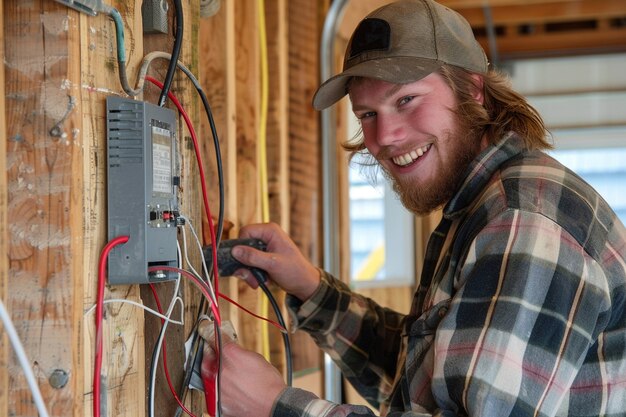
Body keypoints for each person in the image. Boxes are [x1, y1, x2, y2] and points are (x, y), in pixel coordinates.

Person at [200, 0, 626, 416]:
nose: (385, 135)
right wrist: (310, 288)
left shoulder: (523, 220)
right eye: (367, 114)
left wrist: (275, 405)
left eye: (406, 100)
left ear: (473, 90)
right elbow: (423, 383)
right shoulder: (479, 207)